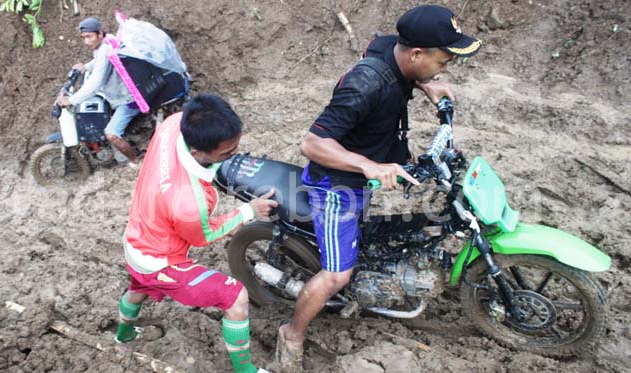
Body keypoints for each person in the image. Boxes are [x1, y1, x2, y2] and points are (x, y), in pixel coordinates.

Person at [275, 5, 482, 371]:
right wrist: (369, 165)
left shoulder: (394, 50)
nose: (445, 67)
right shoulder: (364, 85)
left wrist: (425, 84)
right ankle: (291, 334)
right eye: (443, 61)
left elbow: (388, 56)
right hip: (337, 186)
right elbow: (312, 143)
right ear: (417, 53)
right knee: (338, 274)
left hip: (367, 168)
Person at [114, 93, 277, 373]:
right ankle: (246, 370)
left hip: (136, 237)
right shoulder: (187, 202)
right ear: (197, 152)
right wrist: (248, 212)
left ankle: (123, 335)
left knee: (138, 287)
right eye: (227, 153)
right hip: (160, 261)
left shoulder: (175, 124)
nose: (233, 155)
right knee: (236, 296)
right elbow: (202, 237)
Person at [55, 17, 140, 167]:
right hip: (118, 92)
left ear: (100, 33)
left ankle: (136, 162)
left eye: (89, 36)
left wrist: (71, 100)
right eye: (83, 38)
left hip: (127, 99)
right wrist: (86, 67)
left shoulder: (105, 49)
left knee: (111, 134)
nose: (86, 41)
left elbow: (96, 82)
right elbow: (101, 61)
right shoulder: (106, 43)